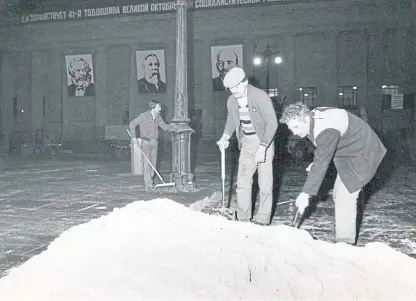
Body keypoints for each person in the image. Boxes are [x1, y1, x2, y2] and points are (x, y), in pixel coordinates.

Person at [279, 102, 387, 244]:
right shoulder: (312, 119)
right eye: (290, 128)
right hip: (349, 152)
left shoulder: (325, 128)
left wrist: (306, 194)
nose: (294, 132)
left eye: (296, 127)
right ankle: (343, 230)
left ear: (305, 118)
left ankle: (345, 244)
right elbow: (324, 150)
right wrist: (317, 162)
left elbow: (324, 150)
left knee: (345, 196)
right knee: (338, 193)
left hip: (364, 153)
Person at [216, 67, 278, 225]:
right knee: (243, 182)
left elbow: (272, 123)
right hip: (247, 142)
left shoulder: (260, 96)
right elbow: (232, 119)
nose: (234, 92)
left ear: (245, 82)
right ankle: (243, 218)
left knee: (265, 184)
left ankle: (263, 219)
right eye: (230, 89)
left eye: (237, 87)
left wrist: (263, 147)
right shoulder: (232, 100)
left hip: (264, 140)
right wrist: (225, 136)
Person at [129, 100, 177, 191]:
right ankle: (148, 185)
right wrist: (134, 137)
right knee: (147, 164)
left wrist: (174, 126)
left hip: (155, 142)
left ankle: (150, 180)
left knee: (153, 165)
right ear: (153, 108)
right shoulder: (143, 116)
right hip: (146, 142)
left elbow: (165, 127)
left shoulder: (158, 117)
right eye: (159, 107)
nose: (160, 109)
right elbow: (132, 124)